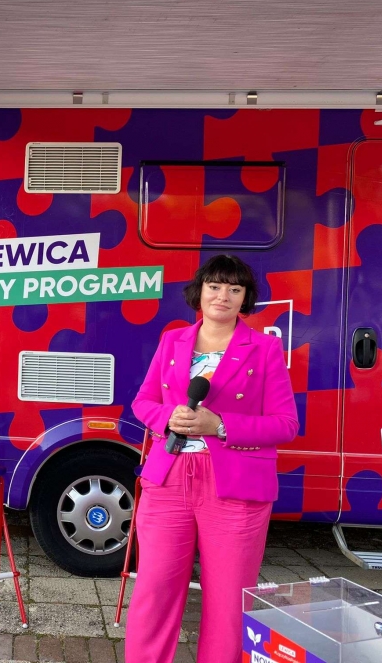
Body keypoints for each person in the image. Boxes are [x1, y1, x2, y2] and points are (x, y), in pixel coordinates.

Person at [126, 254, 298, 663]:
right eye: (215, 286)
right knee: (154, 591)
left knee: (229, 599)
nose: (223, 296)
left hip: (235, 485)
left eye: (234, 289)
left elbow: (286, 424)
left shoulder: (266, 349)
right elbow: (143, 402)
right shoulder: (172, 341)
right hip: (168, 478)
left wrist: (219, 425)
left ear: (245, 298)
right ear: (199, 291)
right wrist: (169, 417)